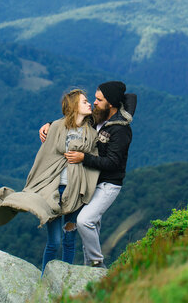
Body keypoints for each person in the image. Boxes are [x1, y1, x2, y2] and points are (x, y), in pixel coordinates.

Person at [0, 89, 100, 273]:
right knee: (54, 241)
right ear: (73, 107)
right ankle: (44, 280)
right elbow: (44, 158)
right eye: (84, 101)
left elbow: (93, 161)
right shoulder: (56, 127)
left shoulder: (92, 133)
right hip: (53, 191)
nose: (89, 104)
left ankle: (65, 280)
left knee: (69, 240)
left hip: (75, 192)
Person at [39, 81, 136, 268]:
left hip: (108, 184)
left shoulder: (121, 130)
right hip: (89, 183)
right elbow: (72, 120)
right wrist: (49, 124)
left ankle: (96, 264)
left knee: (84, 222)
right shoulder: (98, 118)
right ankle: (88, 270)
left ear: (111, 103)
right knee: (91, 227)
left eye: (99, 99)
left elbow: (113, 163)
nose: (95, 102)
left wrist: (84, 157)